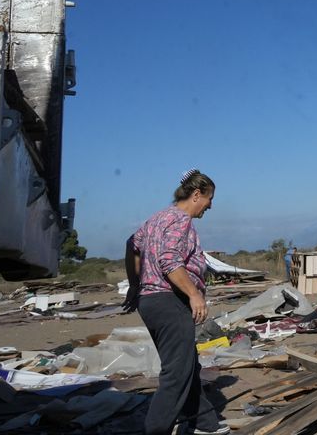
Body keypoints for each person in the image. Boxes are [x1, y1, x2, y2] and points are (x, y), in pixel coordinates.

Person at [125, 169, 229, 435]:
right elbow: (169, 260)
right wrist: (194, 294)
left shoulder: (156, 219)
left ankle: (206, 424)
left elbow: (131, 245)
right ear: (197, 195)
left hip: (151, 302)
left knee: (185, 366)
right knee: (176, 376)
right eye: (209, 198)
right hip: (169, 301)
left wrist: (135, 285)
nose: (211, 206)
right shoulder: (181, 220)